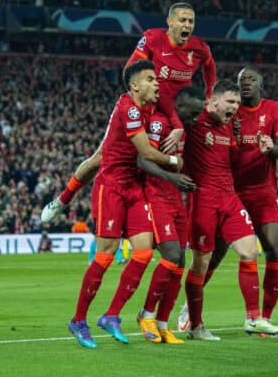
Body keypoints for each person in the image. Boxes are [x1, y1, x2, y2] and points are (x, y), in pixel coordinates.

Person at [40, 2, 216, 223]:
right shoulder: (152, 39)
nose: (187, 25)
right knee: (100, 159)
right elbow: (129, 72)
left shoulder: (199, 47)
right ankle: (63, 199)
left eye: (191, 21)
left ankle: (191, 226)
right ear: (169, 22)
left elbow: (209, 64)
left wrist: (209, 94)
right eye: (182, 20)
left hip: (178, 115)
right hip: (149, 109)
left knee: (193, 165)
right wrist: (140, 106)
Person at [67, 60, 184, 349]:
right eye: (150, 79)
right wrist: (174, 162)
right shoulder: (129, 108)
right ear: (135, 86)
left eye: (156, 78)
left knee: (143, 252)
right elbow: (144, 151)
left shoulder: (146, 110)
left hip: (134, 189)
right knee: (105, 255)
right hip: (112, 187)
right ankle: (78, 320)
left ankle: (111, 315)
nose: (156, 83)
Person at [178, 67, 278, 334]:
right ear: (215, 100)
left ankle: (259, 318)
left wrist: (269, 148)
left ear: (262, 83)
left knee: (268, 249)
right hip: (220, 194)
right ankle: (190, 311)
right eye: (241, 82)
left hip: (255, 193)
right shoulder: (207, 120)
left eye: (252, 79)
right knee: (210, 259)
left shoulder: (271, 111)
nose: (246, 85)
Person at [134, 85, 202, 344]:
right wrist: (171, 177)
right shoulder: (159, 124)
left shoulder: (185, 130)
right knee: (171, 255)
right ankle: (146, 313)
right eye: (192, 113)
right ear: (180, 107)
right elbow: (142, 160)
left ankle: (163, 323)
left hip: (177, 198)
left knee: (181, 263)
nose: (195, 119)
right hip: (156, 195)